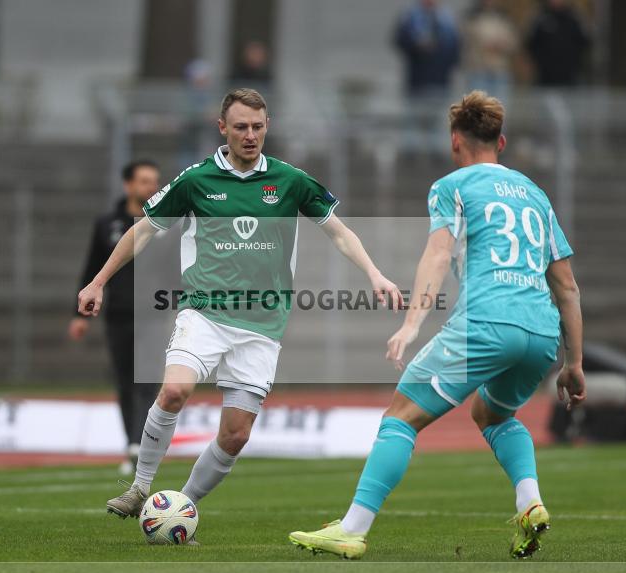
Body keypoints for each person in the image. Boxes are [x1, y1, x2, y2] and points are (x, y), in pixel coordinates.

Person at [77, 88, 403, 534]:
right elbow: (143, 232)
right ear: (222, 128)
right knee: (173, 392)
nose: (250, 135)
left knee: (236, 435)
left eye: (258, 127)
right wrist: (98, 281)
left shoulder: (290, 181)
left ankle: (179, 507)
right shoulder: (196, 180)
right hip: (203, 313)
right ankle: (140, 487)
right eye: (241, 127)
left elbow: (340, 233)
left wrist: (375, 274)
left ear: (266, 127)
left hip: (262, 326)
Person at [289, 91, 586, 560]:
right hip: (542, 333)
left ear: (455, 142)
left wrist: (411, 325)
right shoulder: (536, 195)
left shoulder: (452, 185)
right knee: (492, 414)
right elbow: (567, 286)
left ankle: (352, 528)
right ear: (501, 142)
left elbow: (438, 253)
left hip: (486, 323)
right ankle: (530, 502)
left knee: (400, 417)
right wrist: (574, 362)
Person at [69, 160, 178, 475]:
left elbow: (175, 269)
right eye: (144, 181)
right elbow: (92, 267)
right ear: (128, 185)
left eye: (155, 181)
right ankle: (132, 443)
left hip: (154, 314)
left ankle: (138, 446)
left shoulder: (166, 224)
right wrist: (78, 315)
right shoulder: (107, 225)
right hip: (117, 313)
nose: (151, 187)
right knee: (123, 379)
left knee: (146, 379)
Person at [394, 0, 462, 98]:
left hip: (441, 78)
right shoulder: (410, 17)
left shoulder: (447, 19)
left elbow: (455, 46)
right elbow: (400, 40)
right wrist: (417, 46)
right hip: (417, 78)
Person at [526, 0, 591, 87]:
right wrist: (541, 61)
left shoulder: (575, 19)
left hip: (570, 75)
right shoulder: (540, 18)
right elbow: (531, 43)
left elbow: (585, 42)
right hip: (545, 75)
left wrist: (575, 61)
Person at [463, 0, 518, 103]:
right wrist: (486, 43)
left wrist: (501, 45)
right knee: (478, 109)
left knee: (500, 108)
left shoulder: (504, 18)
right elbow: (468, 40)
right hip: (478, 70)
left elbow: (513, 42)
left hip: (500, 70)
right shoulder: (472, 17)